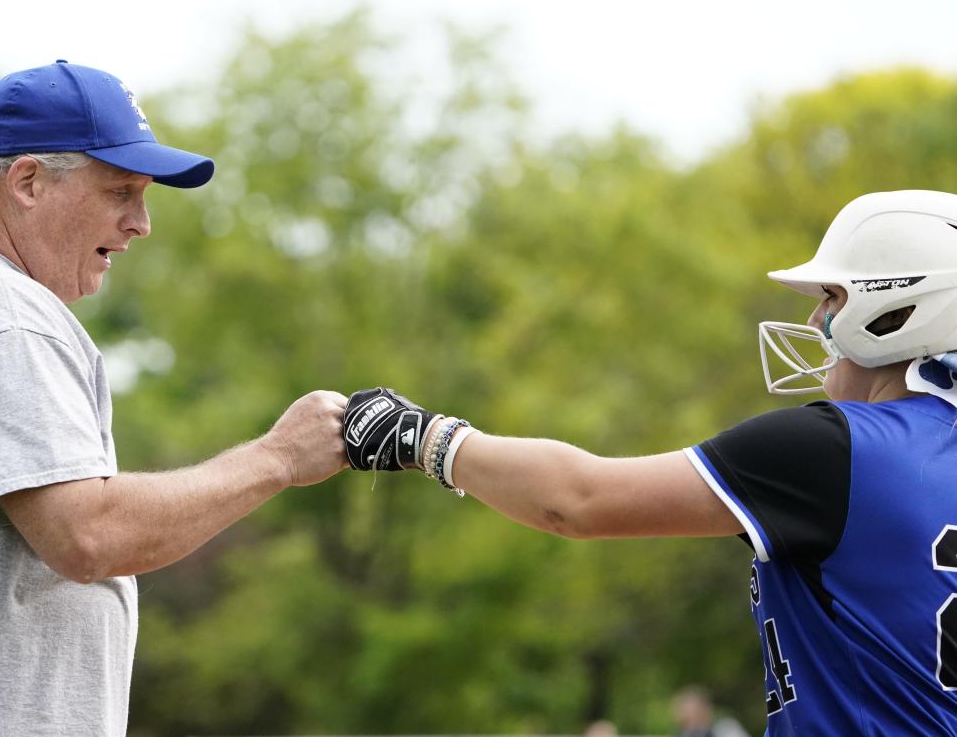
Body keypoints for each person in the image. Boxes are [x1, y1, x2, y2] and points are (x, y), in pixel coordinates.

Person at [0, 60, 348, 736]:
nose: (141, 222)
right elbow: (88, 534)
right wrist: (279, 458)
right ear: (27, 181)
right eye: (121, 191)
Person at [341, 189, 957, 734]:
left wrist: (420, 438)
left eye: (831, 296)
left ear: (898, 308)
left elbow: (577, 500)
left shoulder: (837, 447)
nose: (815, 319)